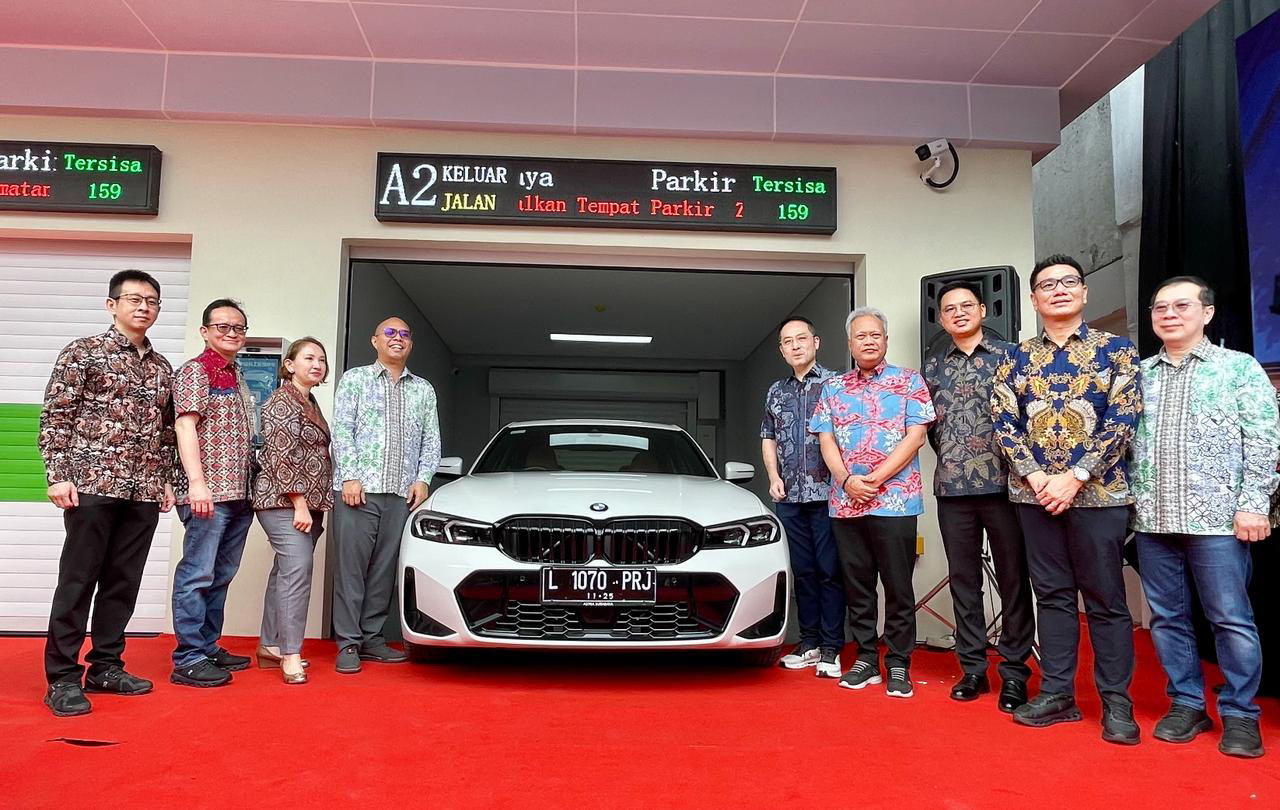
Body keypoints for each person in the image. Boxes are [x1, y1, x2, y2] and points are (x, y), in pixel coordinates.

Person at [991, 254, 1143, 744]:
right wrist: (1038, 477)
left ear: (1083, 292)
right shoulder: (1014, 358)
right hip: (1034, 497)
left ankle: (1117, 702)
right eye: (1047, 285)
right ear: (1034, 300)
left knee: (1105, 599)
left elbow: (1122, 420)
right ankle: (1058, 694)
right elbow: (1004, 423)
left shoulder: (1117, 351)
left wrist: (1075, 476)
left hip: (1099, 495)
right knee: (1052, 597)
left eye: (1068, 282)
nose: (1058, 290)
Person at [1130, 276, 1277, 758]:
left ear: (1207, 313)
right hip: (1153, 519)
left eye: (1182, 306)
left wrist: (1255, 503)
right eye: (1160, 308)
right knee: (1167, 618)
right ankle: (1187, 703)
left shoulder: (1238, 369)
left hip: (1218, 522)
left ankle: (1240, 713)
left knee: (1230, 619)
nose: (1169, 315)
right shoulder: (1139, 375)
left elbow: (1264, 439)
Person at [38, 270, 175, 716]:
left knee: (122, 582)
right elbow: (56, 416)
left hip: (143, 490)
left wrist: (166, 479)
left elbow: (166, 433)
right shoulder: (83, 352)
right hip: (92, 484)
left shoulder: (162, 367)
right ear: (112, 305)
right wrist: (58, 474)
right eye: (134, 299)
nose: (144, 307)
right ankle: (62, 677)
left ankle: (106, 667)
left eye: (151, 301)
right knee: (78, 580)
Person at [810, 307, 935, 698]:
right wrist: (847, 481)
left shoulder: (909, 381)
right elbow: (826, 439)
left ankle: (898, 662)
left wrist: (875, 480)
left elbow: (916, 437)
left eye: (875, 334)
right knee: (857, 585)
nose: (868, 341)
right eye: (861, 335)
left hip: (895, 501)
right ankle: (866, 657)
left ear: (885, 340)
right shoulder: (832, 388)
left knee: (898, 586)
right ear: (850, 343)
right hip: (846, 502)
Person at [922, 281, 1035, 712]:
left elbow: (1030, 418)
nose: (959, 313)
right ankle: (972, 668)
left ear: (983, 310)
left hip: (1007, 487)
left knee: (1013, 581)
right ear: (941, 319)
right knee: (964, 581)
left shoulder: (1012, 356)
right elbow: (929, 429)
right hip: (953, 488)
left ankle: (1014, 672)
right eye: (950, 309)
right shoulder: (932, 367)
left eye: (966, 305)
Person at [331, 317, 440, 674]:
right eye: (390, 333)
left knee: (384, 570)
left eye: (404, 334)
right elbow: (342, 431)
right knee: (351, 570)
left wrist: (423, 479)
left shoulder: (423, 390)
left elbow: (431, 441)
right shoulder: (355, 380)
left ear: (410, 344)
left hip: (401, 495)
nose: (398, 338)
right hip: (358, 493)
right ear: (375, 341)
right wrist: (350, 476)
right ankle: (348, 642)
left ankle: (372, 638)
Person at [169, 299, 256, 687]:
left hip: (238, 493)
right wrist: (197, 483)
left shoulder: (236, 373)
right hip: (209, 494)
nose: (232, 333)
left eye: (238, 327)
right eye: (223, 326)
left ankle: (206, 646)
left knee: (221, 575)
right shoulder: (196, 370)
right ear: (205, 332)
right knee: (197, 574)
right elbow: (184, 427)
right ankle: (187, 657)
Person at [761, 316, 844, 677]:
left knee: (829, 571)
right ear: (781, 350)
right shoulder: (776, 392)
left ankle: (832, 647)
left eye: (801, 339)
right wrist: (773, 477)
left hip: (829, 495)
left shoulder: (836, 385)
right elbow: (768, 437)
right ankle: (809, 643)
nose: (795, 346)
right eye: (787, 341)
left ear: (816, 342)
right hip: (789, 496)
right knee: (804, 571)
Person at [252, 338, 333, 685]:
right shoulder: (282, 401)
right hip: (284, 502)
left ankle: (270, 644)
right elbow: (280, 457)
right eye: (308, 358)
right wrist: (299, 502)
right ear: (289, 364)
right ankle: (290, 653)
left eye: (321, 360)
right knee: (297, 573)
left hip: (308, 504)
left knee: (285, 572)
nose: (316, 365)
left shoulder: (309, 400)